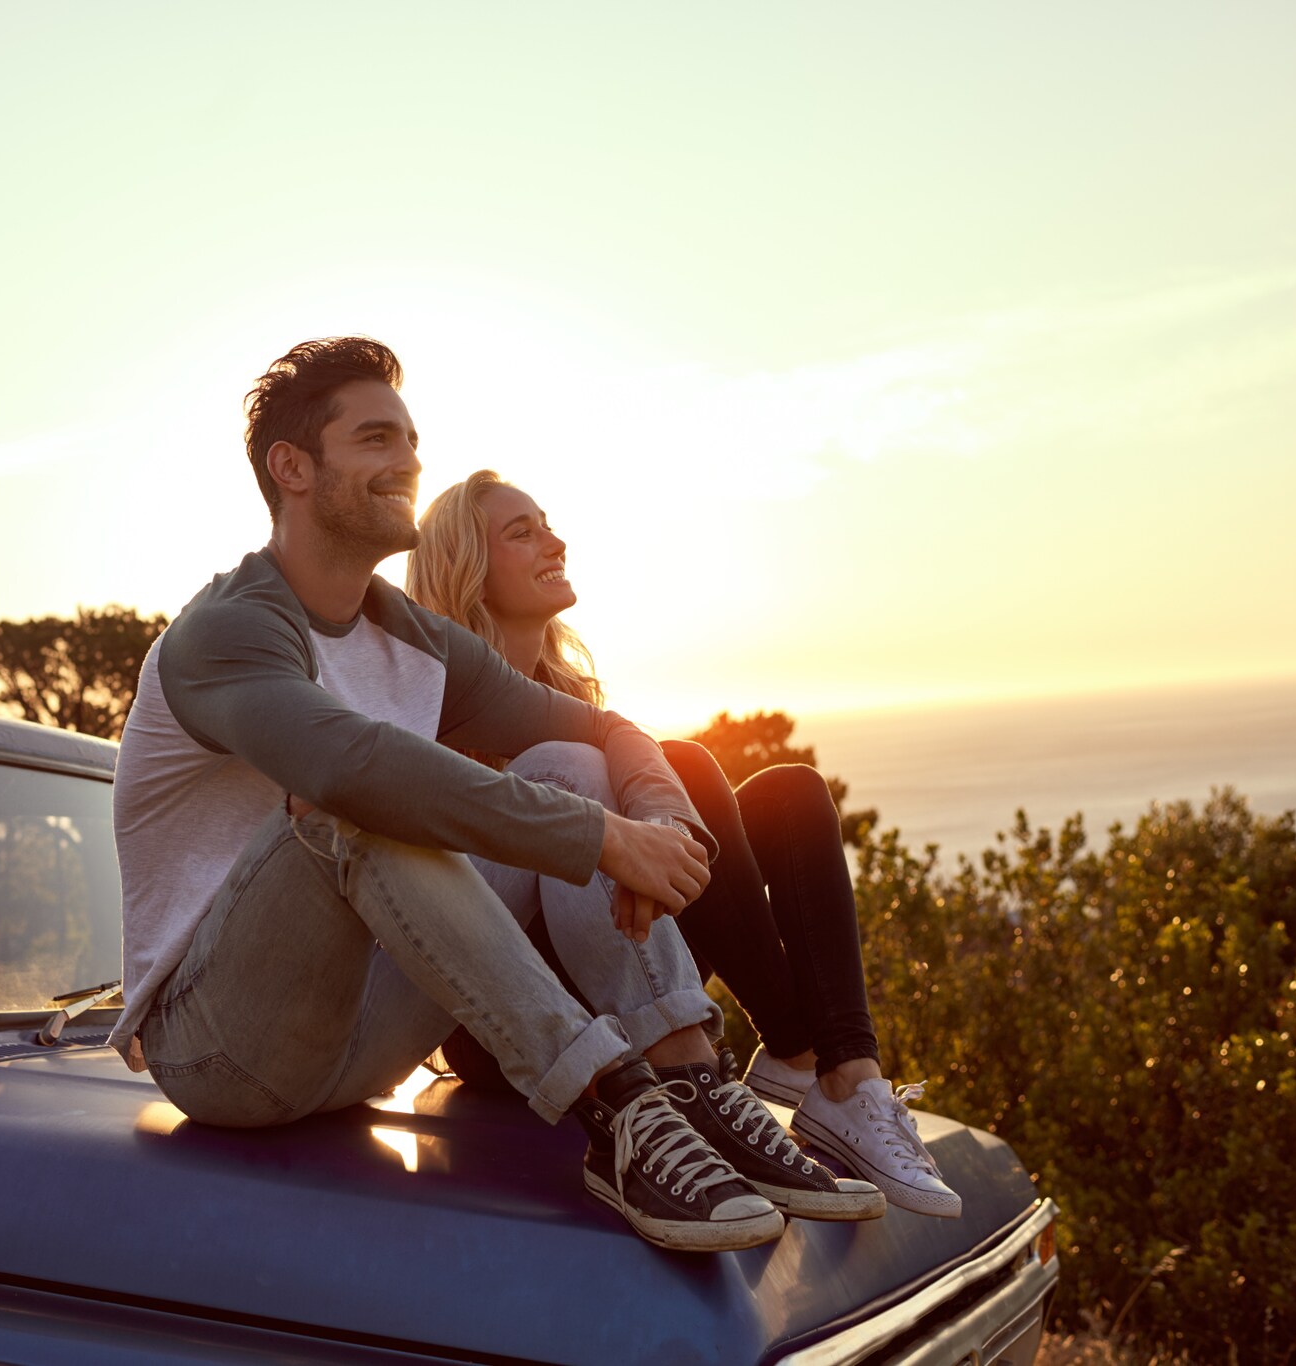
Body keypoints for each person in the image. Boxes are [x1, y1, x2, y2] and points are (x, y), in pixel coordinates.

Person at [111, 337, 883, 1255]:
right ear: (293, 468)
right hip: (222, 1047)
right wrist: (599, 841)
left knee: (574, 763)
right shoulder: (228, 630)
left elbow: (605, 731)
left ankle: (689, 1080)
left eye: (409, 438)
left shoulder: (413, 636)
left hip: (367, 1042)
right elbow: (350, 770)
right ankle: (617, 1105)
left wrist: (658, 826)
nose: (406, 460)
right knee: (358, 803)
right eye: (374, 439)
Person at [403, 469, 961, 1218]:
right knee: (690, 766)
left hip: (624, 964)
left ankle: (847, 1072)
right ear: (467, 566)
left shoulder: (572, 699)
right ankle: (802, 1058)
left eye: (547, 522)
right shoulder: (433, 705)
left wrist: (652, 837)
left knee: (791, 794)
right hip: (516, 1012)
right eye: (522, 531)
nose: (554, 540)